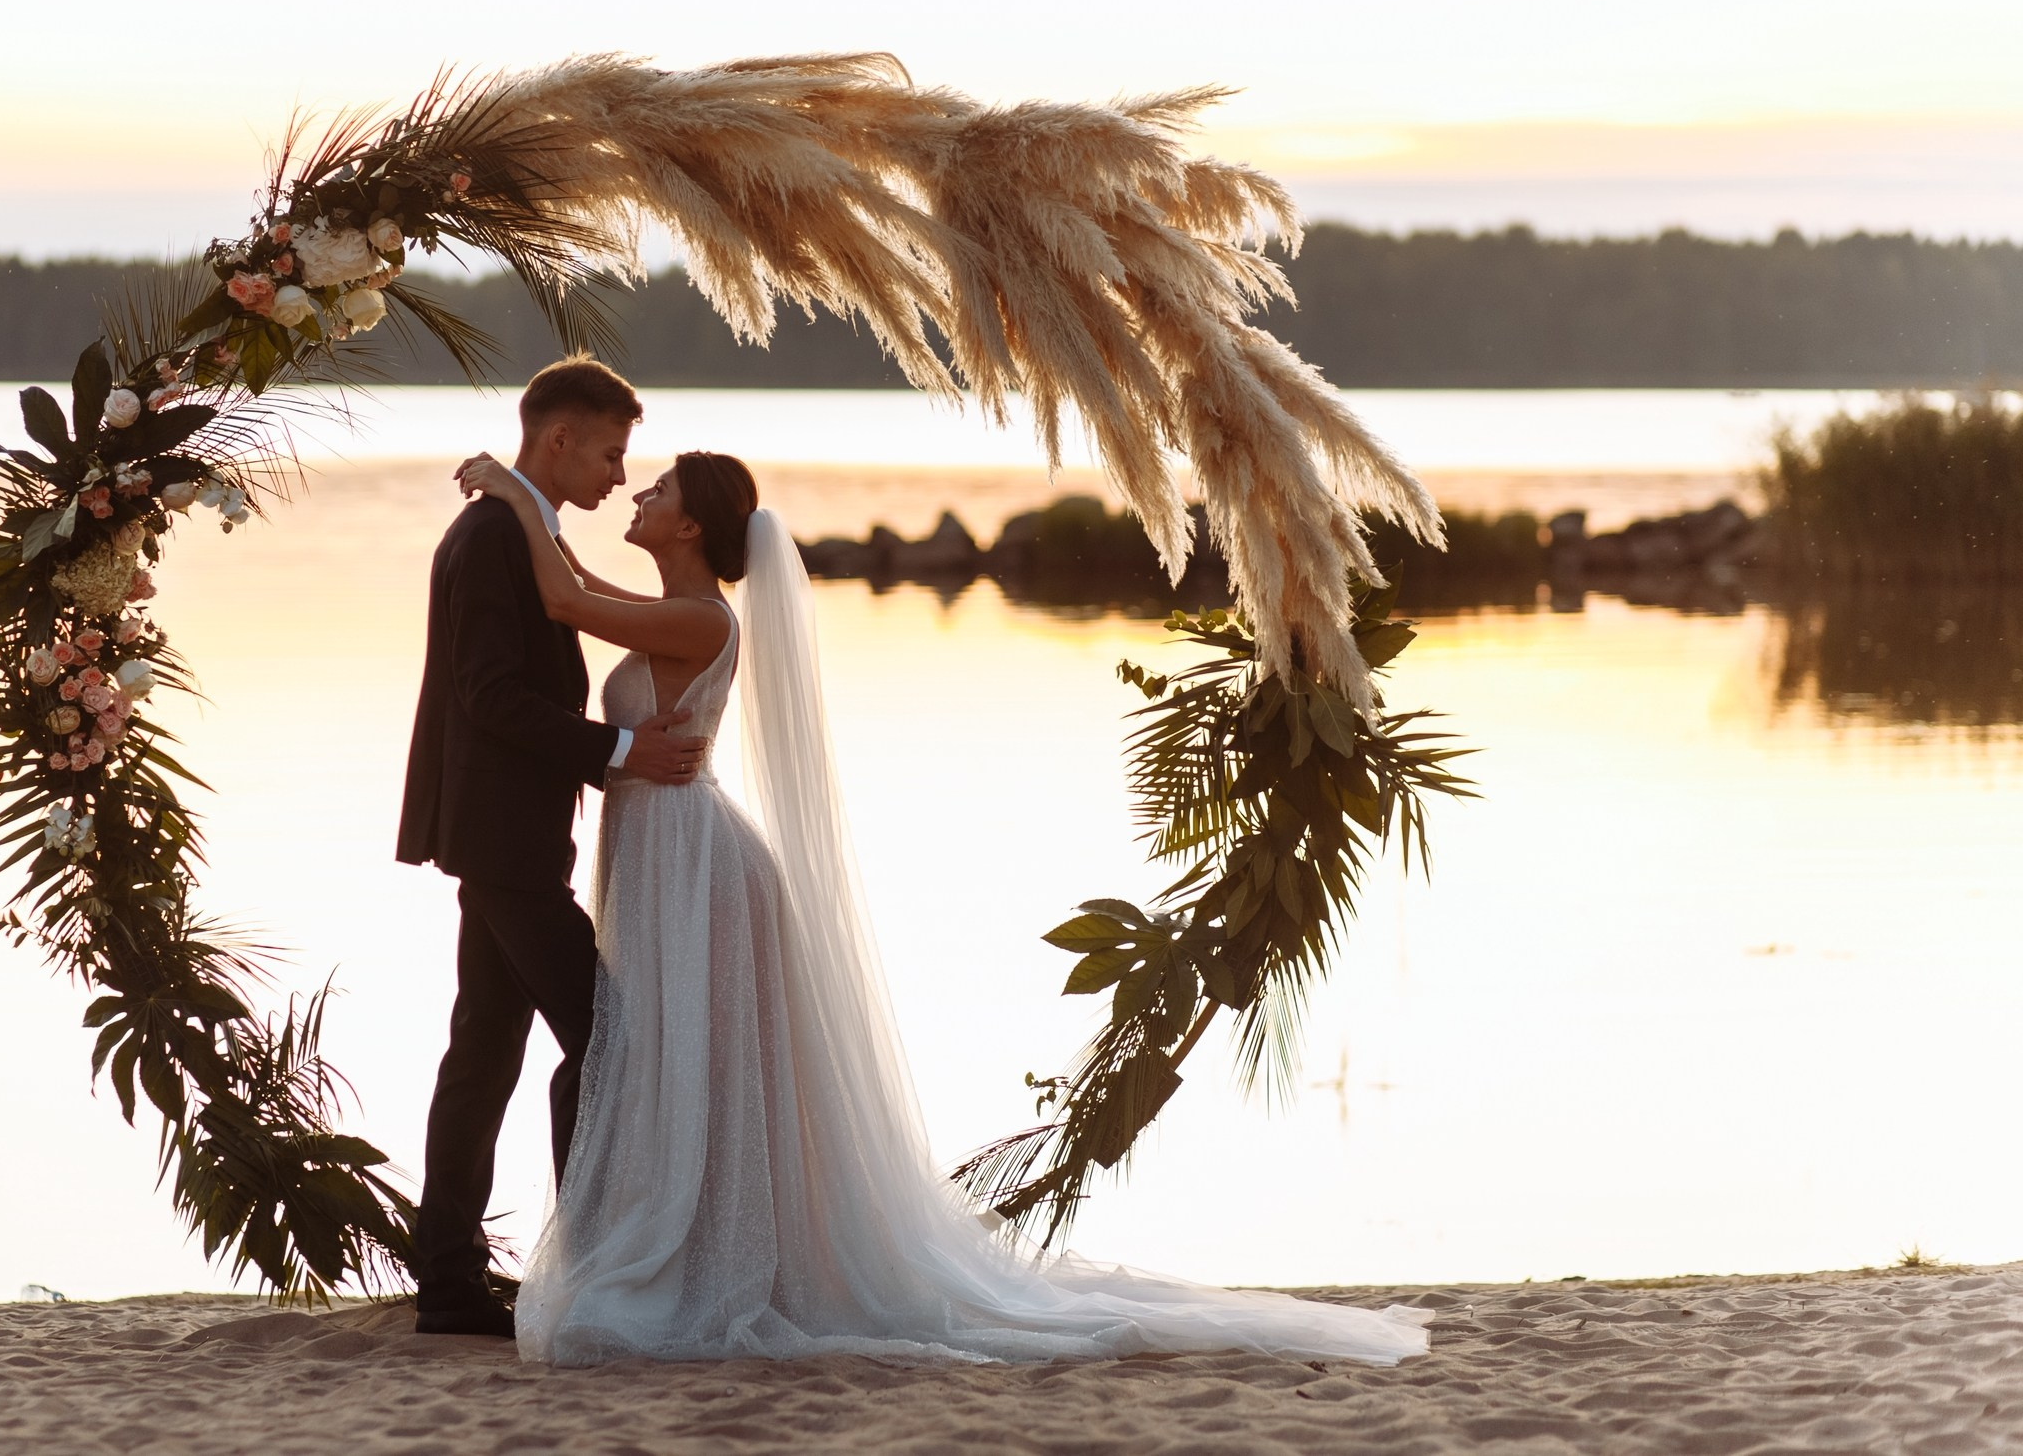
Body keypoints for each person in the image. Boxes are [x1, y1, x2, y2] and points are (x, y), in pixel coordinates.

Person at [453, 446, 1436, 1367]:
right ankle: (679, 1239)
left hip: (697, 863)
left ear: (690, 529)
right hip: (667, 855)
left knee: (691, 1056)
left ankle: (697, 1253)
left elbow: (559, 593)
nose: (637, 495)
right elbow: (579, 594)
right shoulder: (676, 607)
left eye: (657, 491)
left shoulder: (703, 620)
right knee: (675, 1055)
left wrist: (510, 486)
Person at [395, 359, 706, 1338]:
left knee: (484, 1050)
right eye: (612, 452)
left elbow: (563, 606)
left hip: (498, 836)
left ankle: (450, 1281)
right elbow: (488, 694)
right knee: (609, 1044)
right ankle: (587, 1267)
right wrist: (619, 750)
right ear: (560, 439)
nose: (620, 473)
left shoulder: (510, 525)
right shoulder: (492, 532)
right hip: (504, 840)